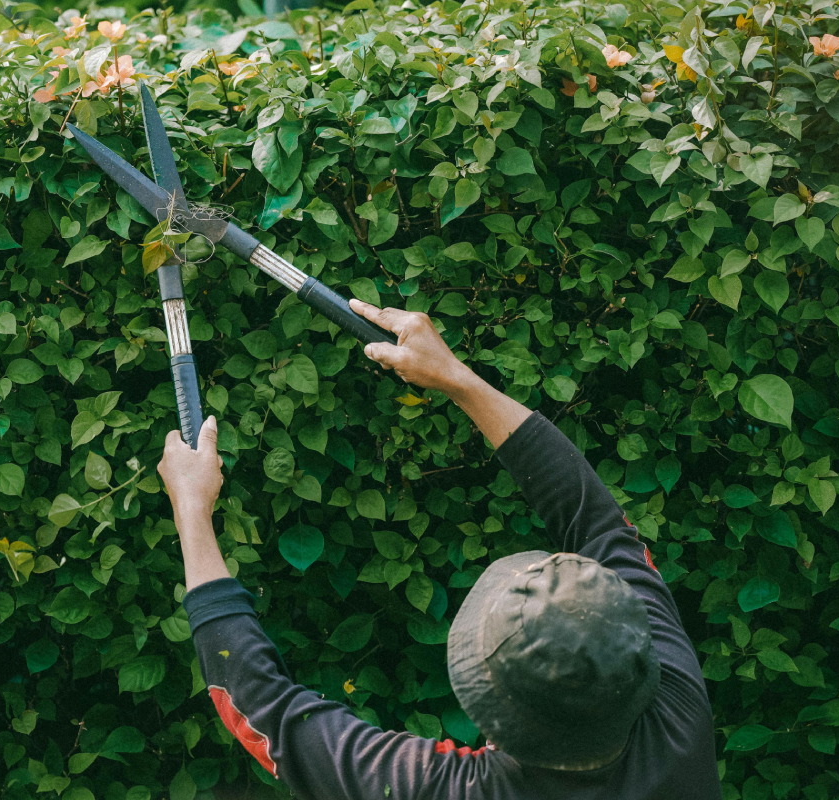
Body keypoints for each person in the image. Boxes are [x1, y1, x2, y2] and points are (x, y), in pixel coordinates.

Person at [157, 302, 722, 800]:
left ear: (495, 717)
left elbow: (266, 713)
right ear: (637, 644)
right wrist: (458, 380)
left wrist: (189, 508)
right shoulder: (677, 710)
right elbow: (597, 523)